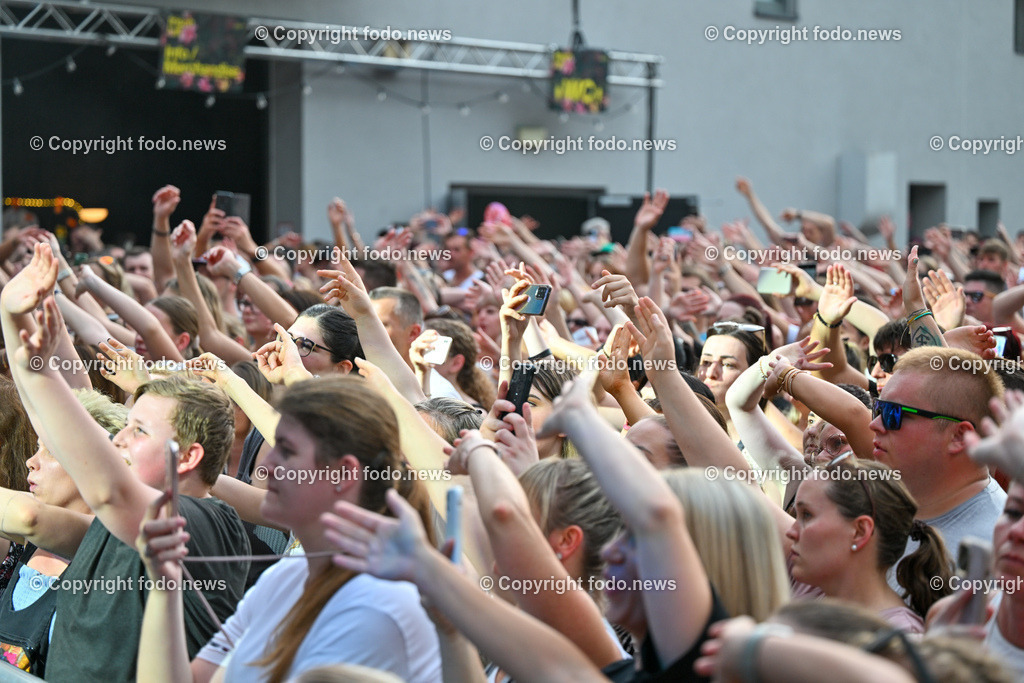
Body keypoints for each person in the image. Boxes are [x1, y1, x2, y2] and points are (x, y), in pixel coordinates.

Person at [0, 243, 250, 683]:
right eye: (126, 425)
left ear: (189, 457)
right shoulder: (112, 526)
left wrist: (39, 369)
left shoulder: (204, 521)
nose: (119, 438)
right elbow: (53, 426)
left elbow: (54, 509)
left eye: (139, 431)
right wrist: (12, 314)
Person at [137, 376, 443, 682]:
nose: (266, 466)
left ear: (344, 473)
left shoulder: (375, 607)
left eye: (286, 451)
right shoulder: (288, 575)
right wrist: (164, 588)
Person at [871, 346, 1006, 573]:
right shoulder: (877, 505)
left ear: (959, 436)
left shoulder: (996, 556)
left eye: (892, 414)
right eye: (877, 408)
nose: (874, 424)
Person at [786, 457, 951, 631]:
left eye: (807, 515)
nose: (791, 532)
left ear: (860, 532)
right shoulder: (817, 590)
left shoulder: (898, 637)